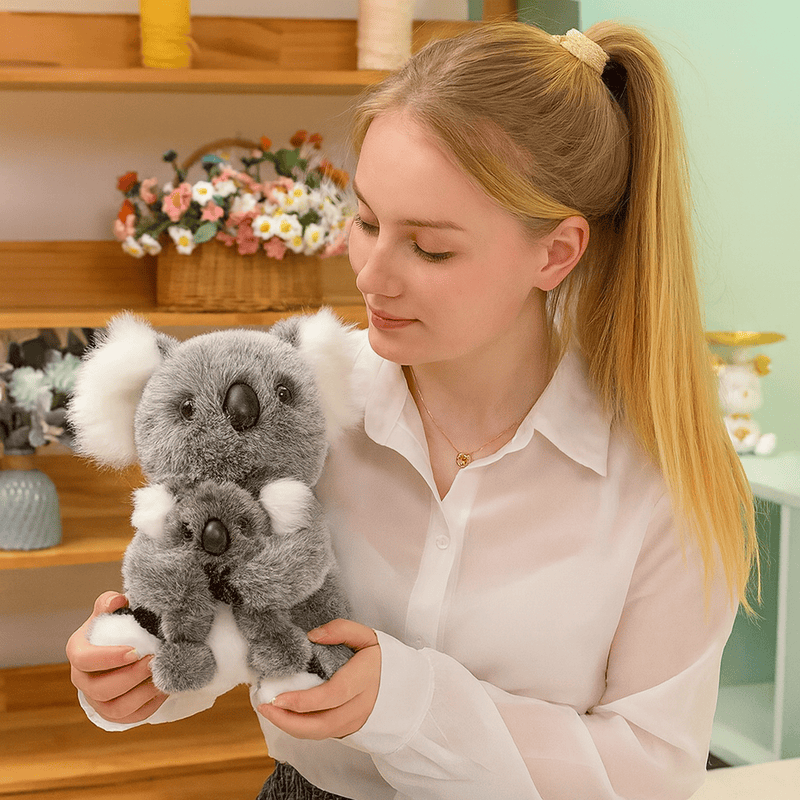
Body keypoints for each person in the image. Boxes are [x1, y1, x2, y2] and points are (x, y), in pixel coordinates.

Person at [66, 20, 759, 800]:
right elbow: (236, 606)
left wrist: (410, 704)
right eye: (365, 222)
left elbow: (650, 769)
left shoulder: (662, 473)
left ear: (556, 252)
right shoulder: (303, 403)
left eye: (429, 247)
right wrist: (145, 667)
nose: (371, 276)